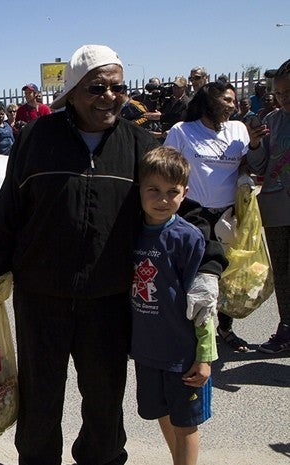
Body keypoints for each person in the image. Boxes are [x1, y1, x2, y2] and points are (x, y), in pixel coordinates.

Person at [0, 44, 225, 465]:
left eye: (117, 88)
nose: (109, 97)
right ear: (73, 91)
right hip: (41, 298)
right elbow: (8, 210)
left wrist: (209, 267)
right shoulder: (36, 138)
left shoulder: (140, 144)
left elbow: (188, 210)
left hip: (109, 300)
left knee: (105, 400)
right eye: (97, 88)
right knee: (39, 398)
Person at [132, 146, 217, 465]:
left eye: (172, 192)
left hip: (183, 356)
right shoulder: (130, 232)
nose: (162, 199)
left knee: (186, 424)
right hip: (146, 351)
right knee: (161, 413)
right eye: (153, 189)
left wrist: (205, 356)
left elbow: (204, 303)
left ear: (185, 193)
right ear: (139, 188)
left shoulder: (189, 238)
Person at [164, 81, 251, 352]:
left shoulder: (239, 130)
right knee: (193, 276)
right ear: (208, 102)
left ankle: (224, 328)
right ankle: (191, 331)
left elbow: (250, 164)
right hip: (193, 216)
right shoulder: (182, 131)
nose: (233, 105)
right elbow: (167, 166)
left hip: (228, 215)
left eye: (233, 100)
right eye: (226, 100)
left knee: (226, 275)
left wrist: (256, 147)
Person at [246, 58, 290, 353]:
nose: (284, 99)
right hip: (277, 207)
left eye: (289, 93)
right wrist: (254, 144)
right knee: (284, 272)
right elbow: (259, 165)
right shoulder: (272, 121)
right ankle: (286, 327)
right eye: (280, 94)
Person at [145, 77, 191, 141]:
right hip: (165, 137)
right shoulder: (169, 101)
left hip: (179, 137)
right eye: (174, 87)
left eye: (178, 87)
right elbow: (160, 112)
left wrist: (162, 117)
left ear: (185, 87)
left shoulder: (187, 103)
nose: (175, 89)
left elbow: (183, 120)